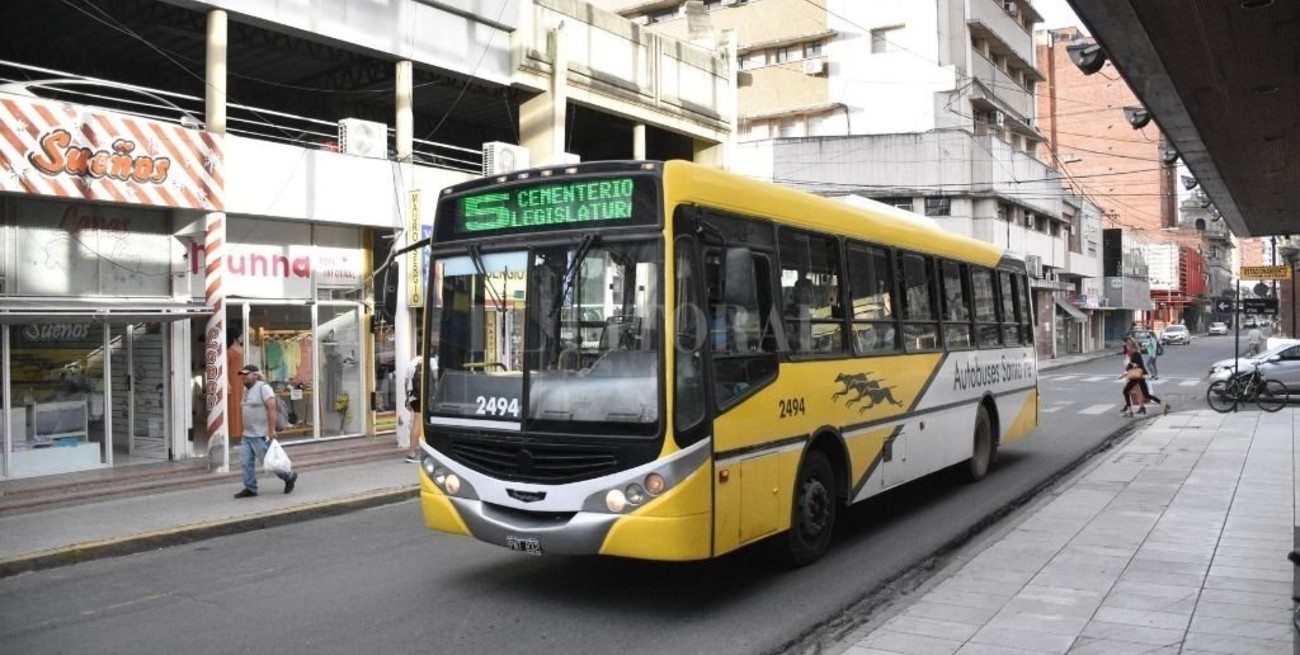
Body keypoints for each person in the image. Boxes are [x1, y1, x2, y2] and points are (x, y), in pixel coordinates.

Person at [233, 365, 298, 498]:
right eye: (242, 374)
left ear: (256, 375)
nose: (243, 376)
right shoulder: (246, 391)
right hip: (247, 434)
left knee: (269, 462)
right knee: (245, 462)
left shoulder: (264, 388)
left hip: (260, 434)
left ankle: (289, 476)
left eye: (247, 374)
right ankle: (250, 488)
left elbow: (272, 408)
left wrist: (272, 429)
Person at [1120, 340, 1170, 417]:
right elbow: (1134, 365)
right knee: (1146, 395)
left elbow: (1137, 365)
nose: (1126, 348)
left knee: (1125, 391)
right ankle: (1163, 403)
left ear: (1130, 347)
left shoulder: (1135, 354)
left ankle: (1129, 410)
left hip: (1136, 376)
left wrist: (1128, 369)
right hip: (1141, 376)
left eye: (1127, 346)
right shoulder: (1136, 353)